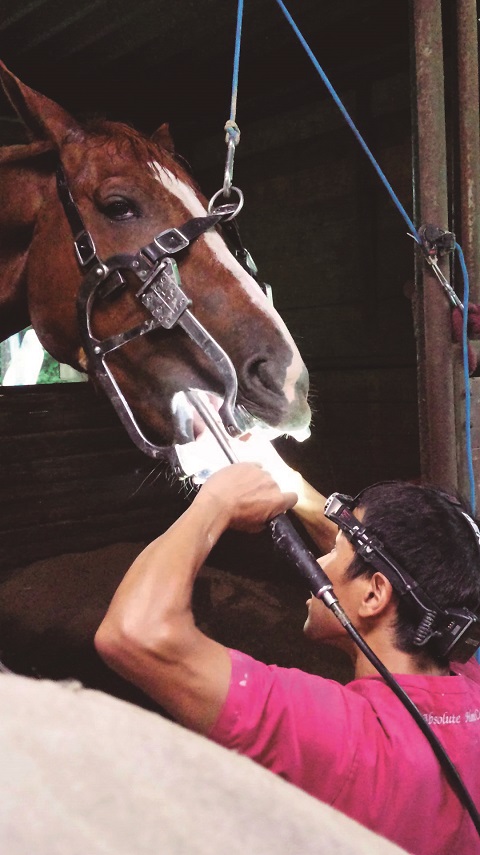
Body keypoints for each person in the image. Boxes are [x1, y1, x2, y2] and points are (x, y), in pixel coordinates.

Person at [94, 457, 480, 855]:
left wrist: (215, 503)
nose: (319, 563)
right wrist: (289, 482)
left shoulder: (337, 734)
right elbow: (393, 573)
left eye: (335, 551)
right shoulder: (467, 687)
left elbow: (135, 633)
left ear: (373, 596)